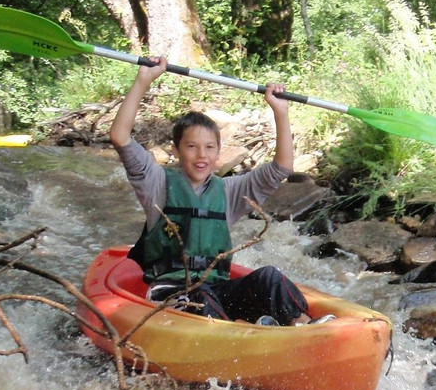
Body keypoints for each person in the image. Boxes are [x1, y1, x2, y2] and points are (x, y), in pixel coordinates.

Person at [110, 56, 325, 326]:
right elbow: (120, 137)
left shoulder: (230, 191)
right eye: (192, 147)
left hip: (217, 293)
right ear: (175, 150)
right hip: (172, 295)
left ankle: (303, 329)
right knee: (201, 297)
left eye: (210, 147)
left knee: (269, 277)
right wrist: (144, 79)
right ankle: (248, 335)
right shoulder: (155, 182)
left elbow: (282, 168)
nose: (202, 156)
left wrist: (280, 112)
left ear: (219, 152)